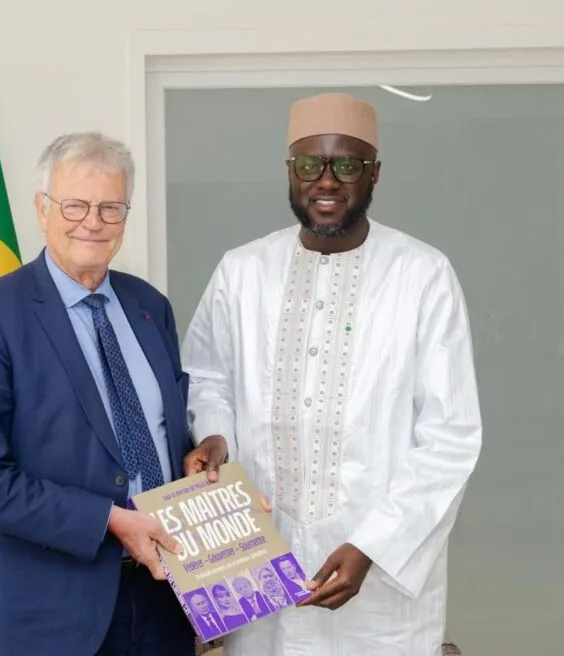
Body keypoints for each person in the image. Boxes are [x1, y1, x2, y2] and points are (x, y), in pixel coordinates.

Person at [180, 92, 482, 654]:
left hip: (380, 583)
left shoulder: (423, 275)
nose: (326, 181)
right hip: (262, 559)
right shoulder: (242, 271)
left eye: (346, 166)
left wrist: (373, 545)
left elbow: (451, 436)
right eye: (309, 164)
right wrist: (215, 435)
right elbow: (207, 377)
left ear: (374, 174)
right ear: (289, 171)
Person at [0, 131, 197, 656]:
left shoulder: (152, 307)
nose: (93, 222)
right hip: (51, 612)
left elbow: (168, 439)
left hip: (163, 595)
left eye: (110, 208)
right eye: (75, 205)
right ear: (42, 209)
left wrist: (207, 462)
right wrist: (109, 520)